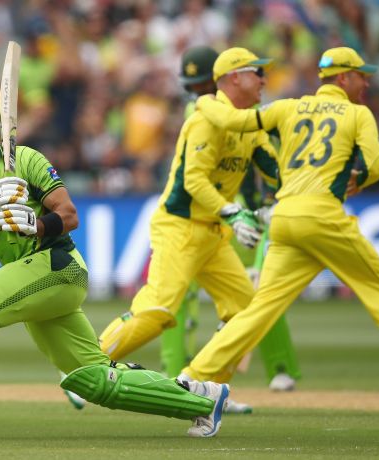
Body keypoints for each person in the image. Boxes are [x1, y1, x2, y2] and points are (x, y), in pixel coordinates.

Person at [0, 98, 229, 440]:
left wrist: (35, 224)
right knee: (94, 380)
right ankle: (201, 399)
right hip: (33, 280)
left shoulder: (25, 159)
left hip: (58, 265)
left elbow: (69, 216)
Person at [185, 47, 379, 409]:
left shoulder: (288, 106)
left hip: (285, 219)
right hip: (322, 216)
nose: (366, 82)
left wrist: (205, 102)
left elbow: (235, 121)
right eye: (360, 75)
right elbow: (378, 165)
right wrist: (359, 178)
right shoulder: (357, 114)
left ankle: (195, 374)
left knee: (260, 310)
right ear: (342, 78)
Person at [98, 48, 279, 400]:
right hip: (179, 226)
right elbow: (194, 181)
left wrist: (280, 199)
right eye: (258, 72)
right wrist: (233, 211)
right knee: (159, 310)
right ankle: (87, 364)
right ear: (236, 77)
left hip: (213, 233)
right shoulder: (205, 119)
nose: (264, 80)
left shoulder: (250, 123)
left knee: (247, 314)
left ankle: (206, 391)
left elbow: (272, 168)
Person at [161, 46, 300, 396]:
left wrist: (266, 206)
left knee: (258, 295)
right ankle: (180, 373)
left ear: (221, 80)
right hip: (201, 209)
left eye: (201, 85)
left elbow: (264, 162)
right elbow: (194, 171)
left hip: (241, 211)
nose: (196, 94)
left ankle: (278, 367)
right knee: (175, 302)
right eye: (191, 87)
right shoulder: (202, 109)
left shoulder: (241, 109)